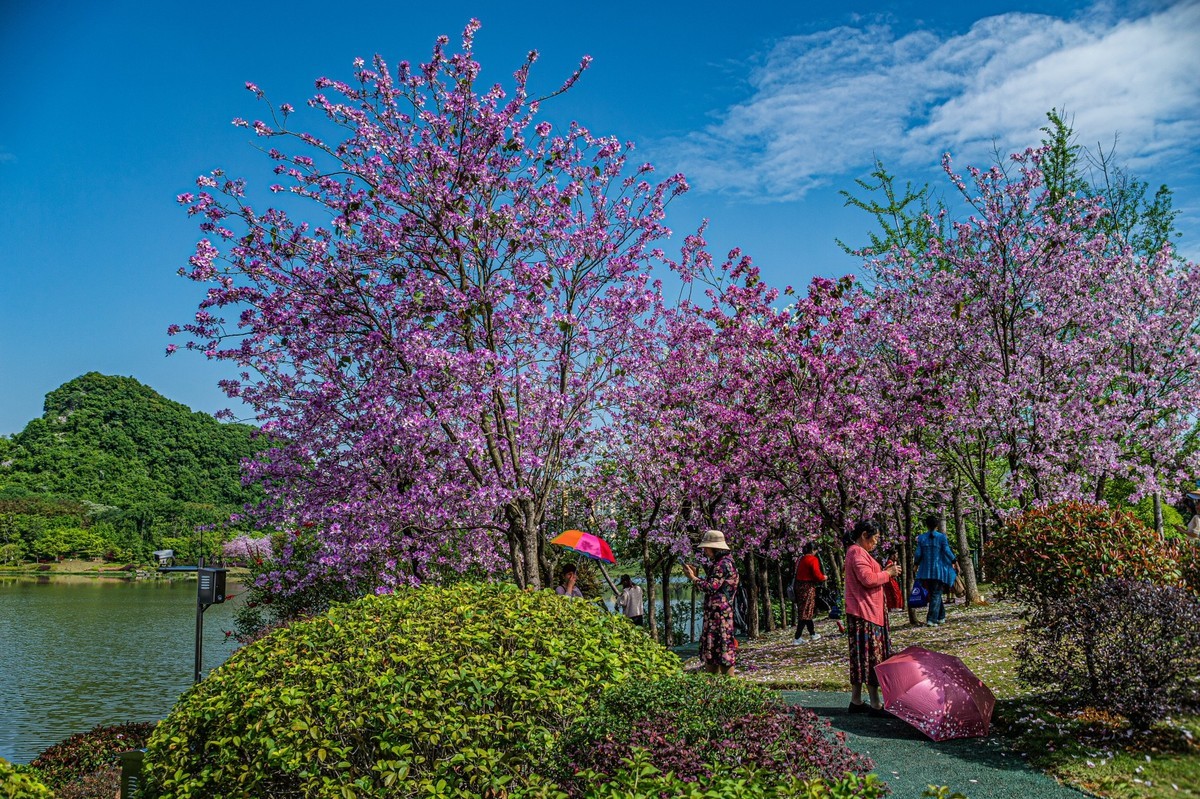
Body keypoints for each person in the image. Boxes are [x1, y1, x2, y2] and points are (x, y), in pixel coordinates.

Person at [844, 519, 901, 714]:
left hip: (867, 611)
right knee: (871, 657)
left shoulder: (859, 552)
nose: (876, 542)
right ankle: (875, 703)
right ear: (864, 535)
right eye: (875, 538)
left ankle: (856, 700)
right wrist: (888, 573)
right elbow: (867, 579)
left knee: (861, 657)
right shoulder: (856, 552)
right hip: (865, 613)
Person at [681, 529, 739, 677]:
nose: (705, 550)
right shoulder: (723, 563)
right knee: (713, 652)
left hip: (719, 615)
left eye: (706, 547)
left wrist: (693, 578)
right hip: (717, 614)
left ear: (715, 547)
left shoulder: (722, 564)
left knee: (723, 652)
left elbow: (710, 587)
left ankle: (728, 689)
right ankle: (715, 689)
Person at [914, 513, 959, 626]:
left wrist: (916, 564)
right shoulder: (941, 537)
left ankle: (941, 617)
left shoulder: (921, 538)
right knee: (935, 594)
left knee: (935, 594)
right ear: (937, 525)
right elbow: (947, 551)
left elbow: (918, 553)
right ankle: (932, 619)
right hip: (938, 571)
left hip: (925, 571)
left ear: (926, 525)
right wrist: (954, 561)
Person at [792, 542, 828, 644]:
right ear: (813, 550)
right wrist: (824, 578)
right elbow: (817, 575)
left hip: (798, 587)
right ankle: (797, 637)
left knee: (806, 610)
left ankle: (812, 634)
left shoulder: (800, 559)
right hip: (808, 587)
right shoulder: (813, 559)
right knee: (805, 612)